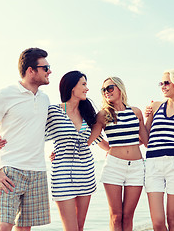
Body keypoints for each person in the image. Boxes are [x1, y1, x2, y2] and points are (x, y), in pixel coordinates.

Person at [0, 48, 52, 231]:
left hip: (37, 171)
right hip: (10, 171)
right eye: (46, 67)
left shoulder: (45, 100)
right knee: (3, 226)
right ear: (30, 70)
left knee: (24, 228)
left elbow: (40, 130)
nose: (50, 71)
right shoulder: (5, 94)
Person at [45, 70, 105, 231]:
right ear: (72, 87)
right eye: (83, 84)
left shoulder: (87, 114)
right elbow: (35, 134)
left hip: (86, 174)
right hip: (62, 175)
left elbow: (99, 140)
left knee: (79, 228)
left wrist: (131, 147)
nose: (87, 88)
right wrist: (4, 141)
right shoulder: (53, 111)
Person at [88, 77, 149, 231]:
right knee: (116, 216)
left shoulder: (136, 112)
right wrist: (63, 150)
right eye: (103, 90)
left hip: (136, 168)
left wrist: (151, 117)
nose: (106, 92)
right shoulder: (103, 114)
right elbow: (91, 138)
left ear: (120, 88)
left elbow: (147, 141)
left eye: (109, 88)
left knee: (128, 216)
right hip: (114, 167)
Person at [144, 69, 174, 231]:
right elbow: (145, 137)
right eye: (161, 83)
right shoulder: (155, 106)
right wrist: (142, 117)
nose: (162, 86)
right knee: (157, 222)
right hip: (153, 164)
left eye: (166, 82)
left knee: (173, 220)